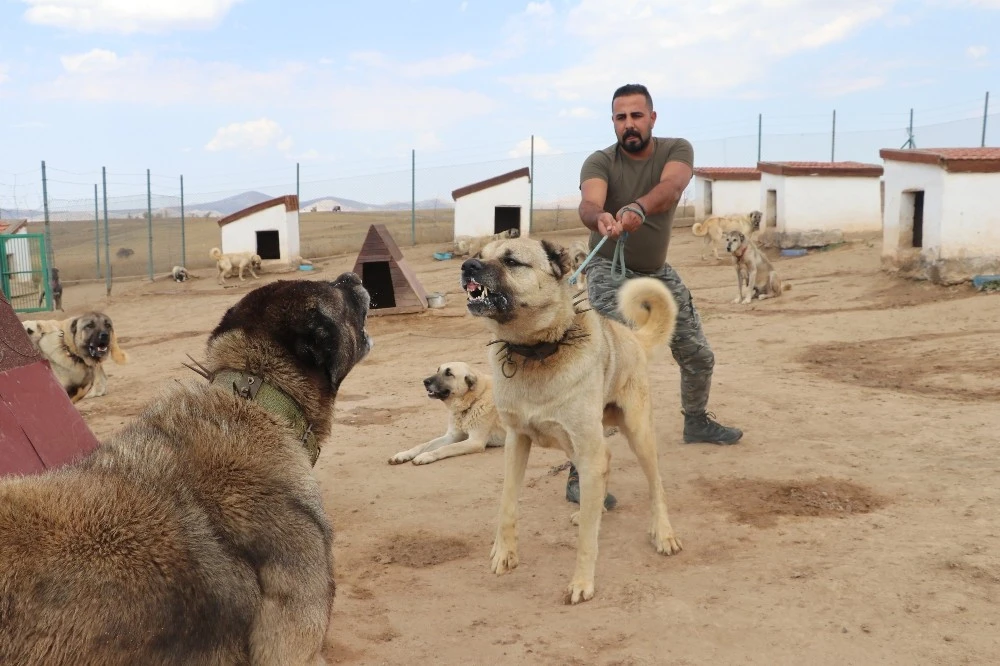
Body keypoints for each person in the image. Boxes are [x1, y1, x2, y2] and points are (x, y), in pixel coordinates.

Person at [565, 83, 743, 509]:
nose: (629, 124)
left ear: (652, 118)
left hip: (657, 274)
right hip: (608, 270)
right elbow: (589, 204)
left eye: (636, 116)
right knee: (610, 367)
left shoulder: (676, 149)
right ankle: (580, 473)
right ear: (613, 122)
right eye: (620, 118)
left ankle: (696, 422)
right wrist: (602, 215)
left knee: (698, 354)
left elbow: (672, 188)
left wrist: (638, 209)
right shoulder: (601, 160)